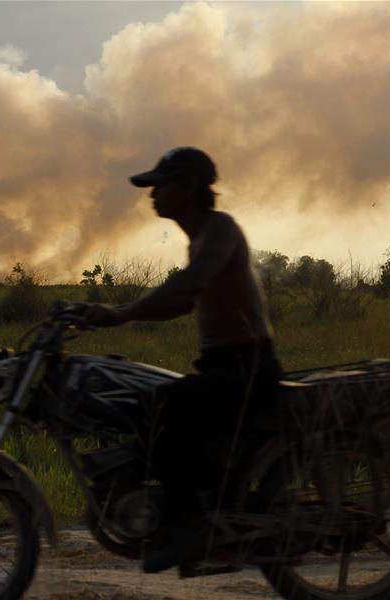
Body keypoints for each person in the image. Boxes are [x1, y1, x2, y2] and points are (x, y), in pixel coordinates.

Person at [85, 147, 283, 573]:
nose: (152, 194)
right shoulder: (201, 237)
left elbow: (191, 283)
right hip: (225, 366)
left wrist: (121, 313)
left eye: (161, 184)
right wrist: (115, 319)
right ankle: (207, 507)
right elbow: (180, 304)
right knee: (153, 405)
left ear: (189, 187)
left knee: (156, 409)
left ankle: (190, 525)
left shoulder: (220, 229)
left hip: (246, 367)